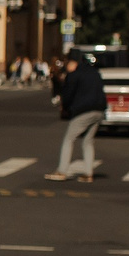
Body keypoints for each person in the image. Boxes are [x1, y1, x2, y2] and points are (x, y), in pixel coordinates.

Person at [46, 51, 105, 181]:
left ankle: (61, 171)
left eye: (67, 64)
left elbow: (68, 95)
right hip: (99, 111)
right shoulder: (95, 73)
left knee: (68, 139)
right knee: (88, 142)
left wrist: (65, 109)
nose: (66, 67)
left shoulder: (74, 75)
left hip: (83, 111)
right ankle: (88, 174)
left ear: (73, 63)